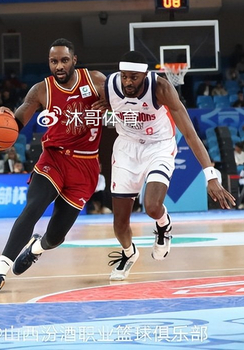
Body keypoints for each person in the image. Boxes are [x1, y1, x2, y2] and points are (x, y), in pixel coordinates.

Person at [0, 39, 107, 294]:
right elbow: (16, 123)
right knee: (33, 207)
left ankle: (36, 248)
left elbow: (125, 100)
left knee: (56, 236)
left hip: (85, 166)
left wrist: (112, 104)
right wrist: (3, 120)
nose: (59, 66)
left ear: (74, 60)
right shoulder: (41, 90)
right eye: (54, 61)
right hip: (54, 159)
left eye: (64, 60)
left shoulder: (95, 80)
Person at [99, 52, 235, 280]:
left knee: (152, 206)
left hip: (159, 145)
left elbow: (190, 134)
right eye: (124, 76)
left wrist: (211, 176)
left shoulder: (161, 88)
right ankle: (129, 253)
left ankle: (163, 225)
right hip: (126, 148)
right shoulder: (109, 86)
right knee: (120, 223)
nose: (128, 82)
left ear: (145, 75)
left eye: (133, 77)